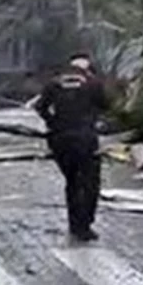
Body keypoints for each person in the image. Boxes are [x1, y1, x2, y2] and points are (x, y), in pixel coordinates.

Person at [33, 52, 107, 242]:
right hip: (85, 139)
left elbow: (40, 107)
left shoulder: (54, 83)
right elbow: (106, 106)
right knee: (90, 182)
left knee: (72, 182)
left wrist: (53, 123)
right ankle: (85, 224)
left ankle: (75, 224)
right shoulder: (93, 84)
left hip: (60, 140)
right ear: (87, 67)